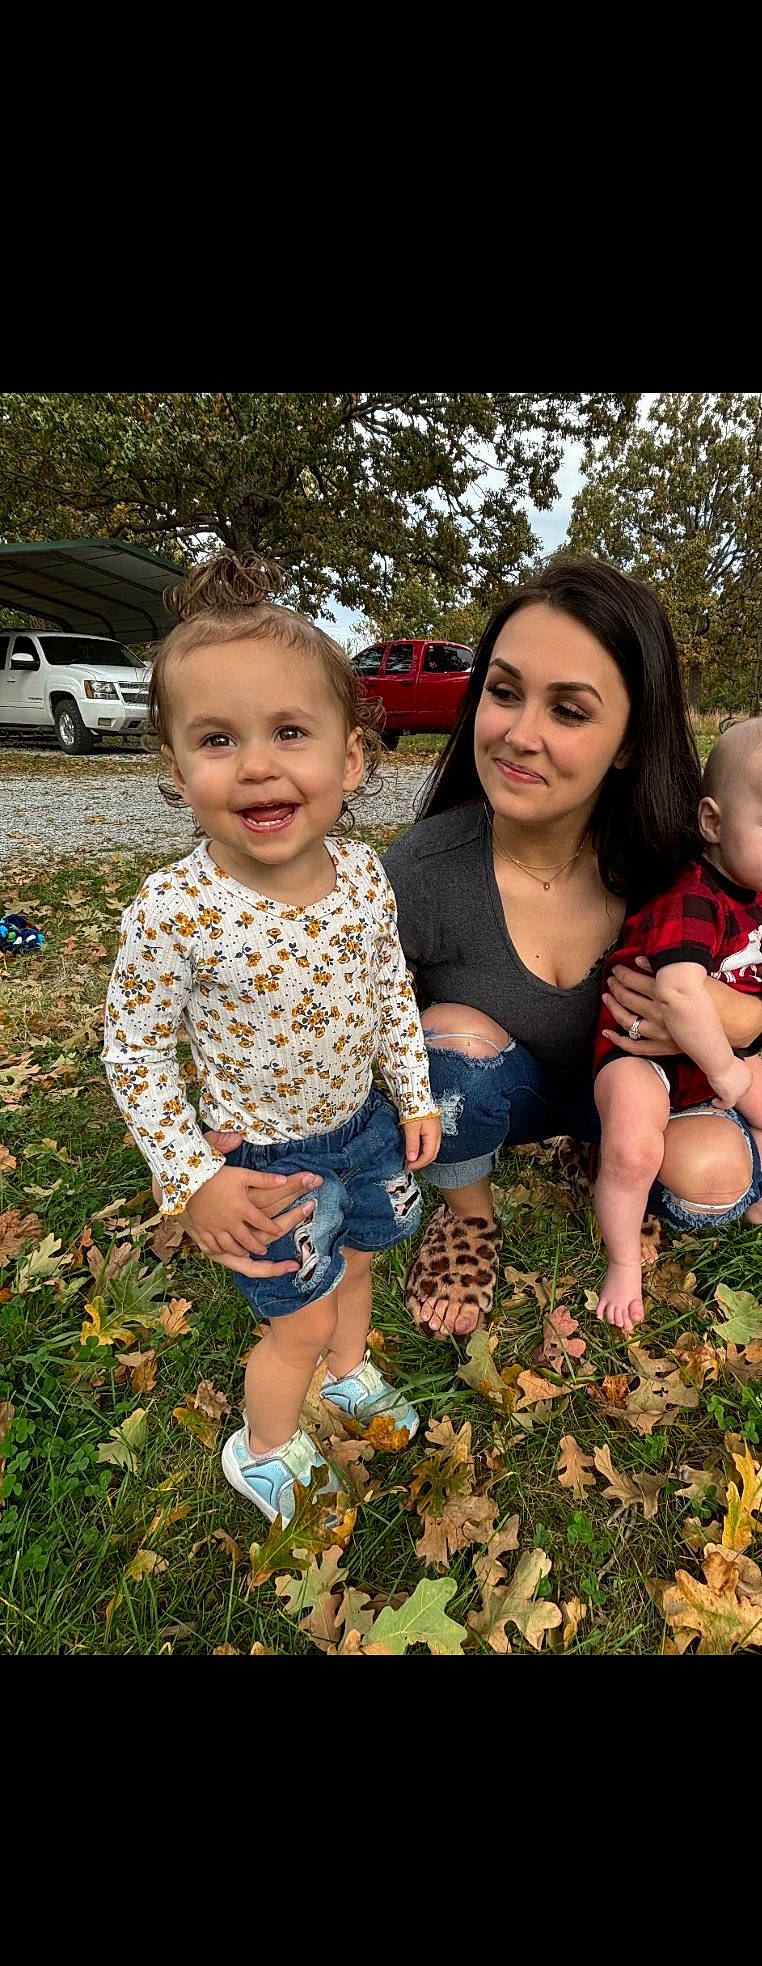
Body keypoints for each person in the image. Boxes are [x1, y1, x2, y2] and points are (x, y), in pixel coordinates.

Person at [195, 555, 762, 1347]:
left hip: (649, 1094)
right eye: (504, 692)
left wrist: (725, 1017)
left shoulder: (678, 862)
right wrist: (238, 1122)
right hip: (507, 1094)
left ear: (630, 742)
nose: (518, 734)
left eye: (569, 711)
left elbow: (756, 986)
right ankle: (469, 1218)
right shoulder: (422, 872)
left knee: (715, 1186)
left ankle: (616, 1171)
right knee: (449, 1038)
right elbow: (326, 1005)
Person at [101, 552, 441, 1528]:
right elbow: (134, 1051)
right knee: (292, 1320)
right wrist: (191, 1175)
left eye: (289, 731)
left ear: (349, 757)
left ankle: (348, 1374)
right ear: (176, 768)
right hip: (266, 1163)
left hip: (365, 1128)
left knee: (363, 1262)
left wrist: (414, 1092)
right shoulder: (177, 908)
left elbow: (387, 990)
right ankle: (262, 1450)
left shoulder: (366, 875)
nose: (256, 762)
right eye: (217, 738)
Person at [591, 715, 762, 1329]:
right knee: (630, 1148)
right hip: (639, 1055)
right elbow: (678, 991)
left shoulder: (755, 893)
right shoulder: (692, 899)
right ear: (713, 822)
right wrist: (727, 1066)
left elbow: (755, 954)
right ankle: (624, 1260)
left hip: (702, 1055)